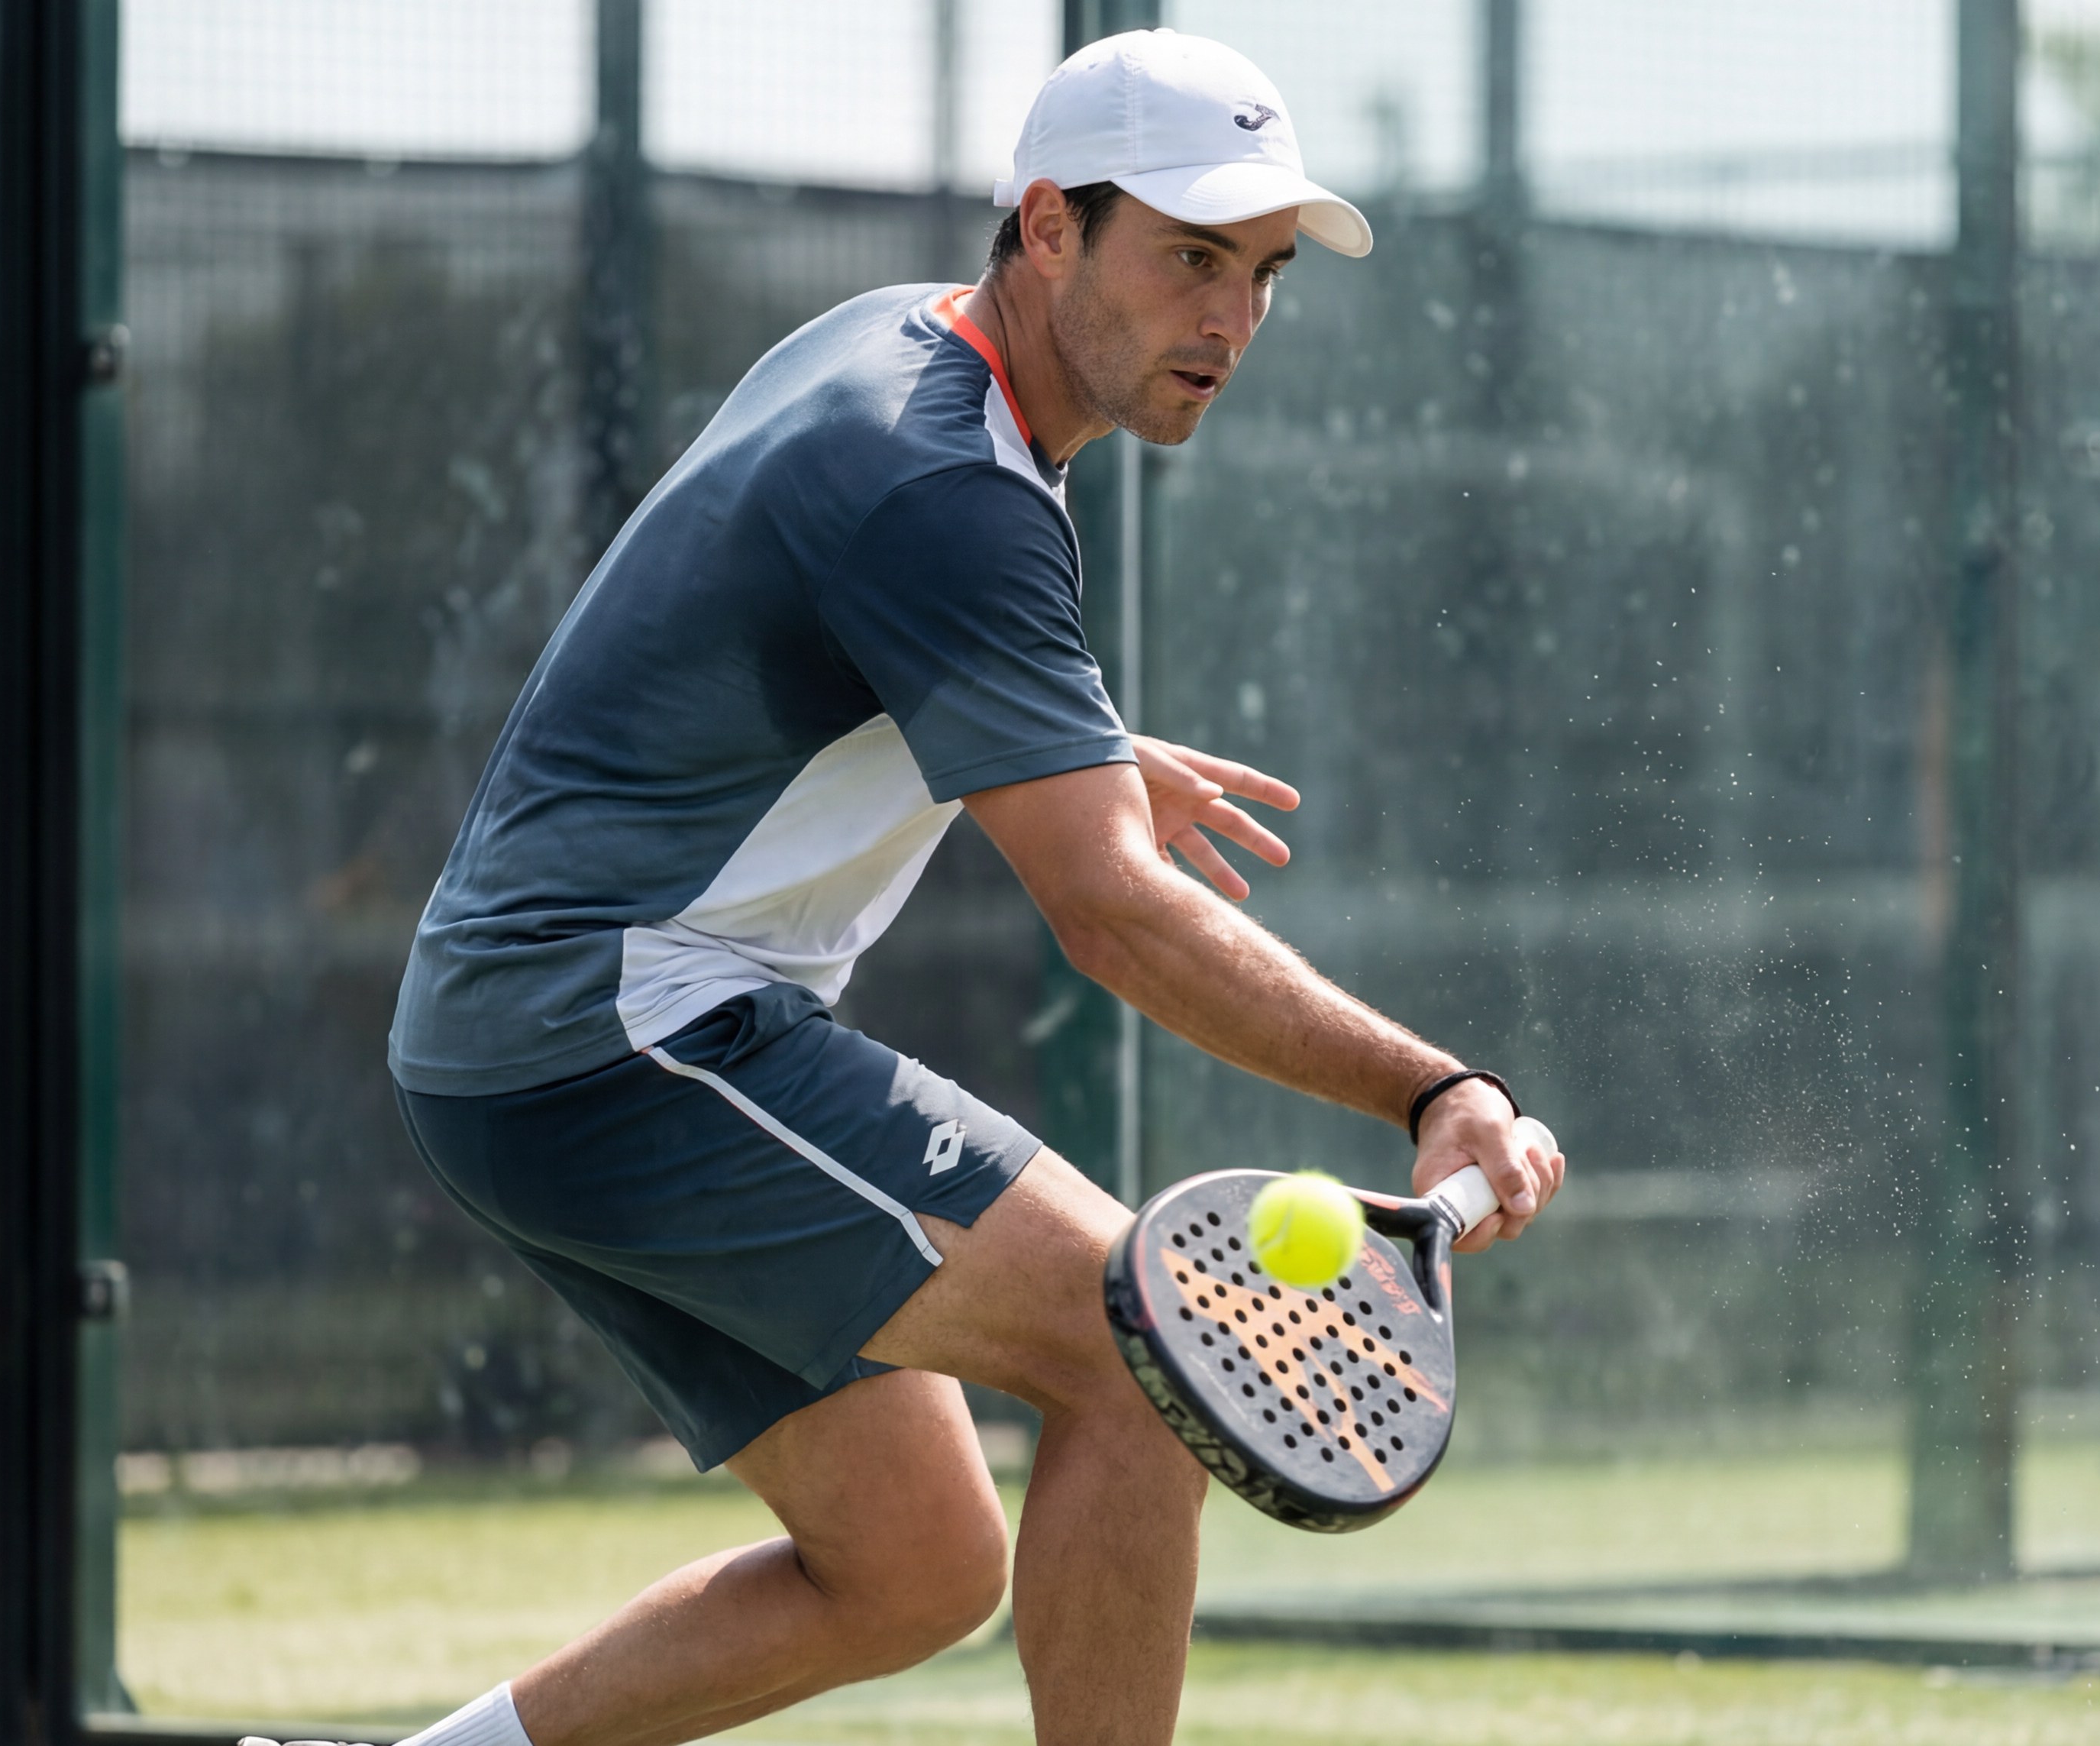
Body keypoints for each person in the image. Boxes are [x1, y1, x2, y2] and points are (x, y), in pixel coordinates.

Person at [349, 29, 1564, 1746]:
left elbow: (781, 611)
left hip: (519, 1040)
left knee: (913, 1562)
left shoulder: (892, 354)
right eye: (1190, 258)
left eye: (1263, 275)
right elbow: (1112, 913)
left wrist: (1058, 735)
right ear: (1050, 225)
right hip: (618, 1033)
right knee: (1159, 1356)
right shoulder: (945, 486)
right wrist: (1436, 1090)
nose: (1230, 321)